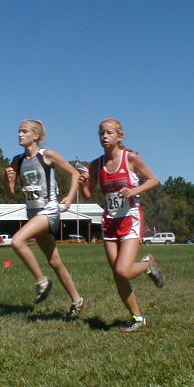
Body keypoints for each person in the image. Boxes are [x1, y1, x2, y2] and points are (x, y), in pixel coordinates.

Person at [78, 118, 166, 333]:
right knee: (118, 275)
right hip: (110, 222)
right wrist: (82, 184)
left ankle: (147, 263)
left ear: (120, 136)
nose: (104, 137)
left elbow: (154, 180)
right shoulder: (97, 164)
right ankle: (137, 318)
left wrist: (134, 190)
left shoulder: (131, 158)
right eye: (101, 133)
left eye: (109, 133)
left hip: (130, 218)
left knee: (123, 270)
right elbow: (88, 194)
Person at [4, 120, 85, 319]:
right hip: (32, 213)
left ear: (36, 136)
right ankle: (77, 300)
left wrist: (69, 197)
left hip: (48, 211)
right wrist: (9, 180)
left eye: (24, 131)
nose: (19, 134)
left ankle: (42, 281)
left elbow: (75, 174)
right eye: (19, 131)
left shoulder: (47, 155)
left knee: (17, 241)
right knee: (55, 261)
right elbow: (10, 193)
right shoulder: (17, 160)